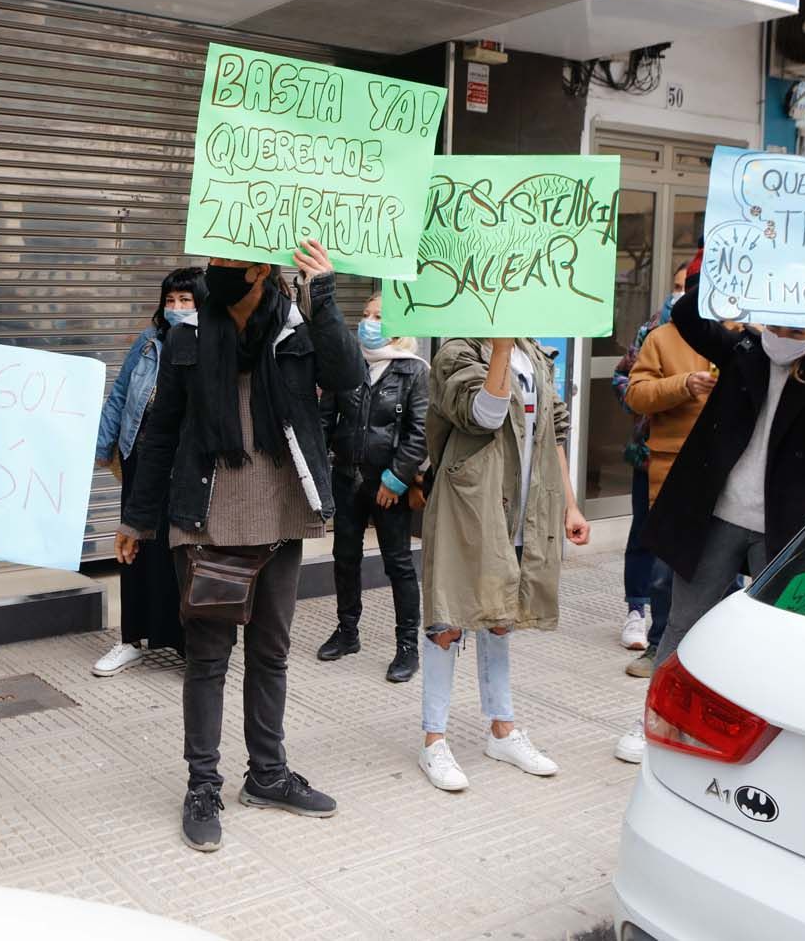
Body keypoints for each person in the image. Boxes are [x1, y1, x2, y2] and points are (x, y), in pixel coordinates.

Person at [115, 239, 361, 854]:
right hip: (206, 521)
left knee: (271, 655)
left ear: (258, 271)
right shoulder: (188, 336)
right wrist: (136, 519)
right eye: (211, 264)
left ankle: (268, 775)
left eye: (225, 266)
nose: (211, 275)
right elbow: (162, 428)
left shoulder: (297, 328)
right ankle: (203, 786)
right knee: (208, 658)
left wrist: (325, 292)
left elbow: (349, 376)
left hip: (280, 515)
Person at [643, 275, 805, 672]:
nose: (782, 335)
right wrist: (729, 273)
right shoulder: (744, 348)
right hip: (717, 517)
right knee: (682, 624)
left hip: (782, 525)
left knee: (776, 636)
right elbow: (688, 316)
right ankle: (655, 719)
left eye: (796, 329)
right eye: (776, 324)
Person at [416, 337, 590, 794]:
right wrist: (498, 350)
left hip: (526, 506)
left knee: (501, 618)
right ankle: (434, 739)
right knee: (448, 618)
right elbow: (483, 416)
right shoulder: (458, 351)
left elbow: (552, 432)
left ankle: (502, 729)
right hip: (471, 505)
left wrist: (570, 505)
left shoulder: (535, 353)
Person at [92, 266, 205, 677]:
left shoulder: (211, 344)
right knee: (134, 551)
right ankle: (130, 640)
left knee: (180, 556)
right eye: (170, 300)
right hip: (141, 459)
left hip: (183, 468)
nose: (175, 308)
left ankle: (187, 644)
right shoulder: (148, 341)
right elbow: (120, 394)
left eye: (185, 301)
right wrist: (104, 448)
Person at [317, 292, 428, 682]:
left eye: (378, 316)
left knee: (397, 564)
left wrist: (396, 478)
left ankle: (407, 648)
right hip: (347, 477)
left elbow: (419, 432)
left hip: (389, 485)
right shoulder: (347, 365)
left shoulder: (414, 371)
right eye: (365, 314)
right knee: (344, 557)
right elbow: (324, 421)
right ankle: (347, 632)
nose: (369, 321)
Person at [612, 267, 688, 659]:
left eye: (684, 287)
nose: (677, 293)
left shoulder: (725, 332)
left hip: (697, 457)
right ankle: (636, 610)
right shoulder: (652, 330)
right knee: (644, 531)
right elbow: (622, 378)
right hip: (650, 451)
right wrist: (645, 400)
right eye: (675, 286)